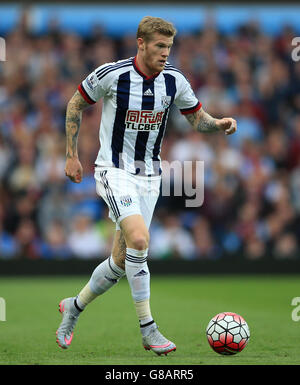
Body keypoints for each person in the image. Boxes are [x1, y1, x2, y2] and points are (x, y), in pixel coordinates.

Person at [56, 16, 237, 356]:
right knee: (140, 239)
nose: (165, 53)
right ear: (141, 44)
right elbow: (75, 103)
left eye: (168, 47)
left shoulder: (175, 81)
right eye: (159, 46)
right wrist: (71, 155)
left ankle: (74, 307)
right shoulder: (113, 74)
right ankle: (148, 329)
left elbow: (197, 118)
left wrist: (220, 123)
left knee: (123, 260)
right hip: (114, 170)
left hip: (151, 176)